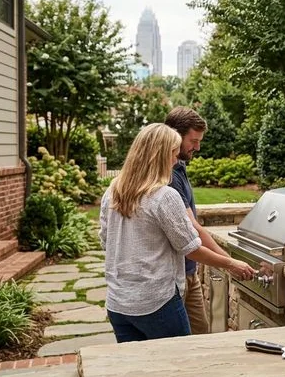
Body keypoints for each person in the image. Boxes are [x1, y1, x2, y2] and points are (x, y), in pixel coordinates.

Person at [99, 123, 253, 343]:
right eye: (173, 153)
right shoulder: (164, 196)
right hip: (157, 303)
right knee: (182, 364)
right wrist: (231, 264)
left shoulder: (113, 190)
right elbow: (191, 249)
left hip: (118, 304)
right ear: (160, 155)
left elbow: (106, 240)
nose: (175, 160)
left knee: (138, 371)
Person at [165, 106, 254, 334]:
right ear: (175, 136)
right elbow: (192, 228)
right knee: (188, 341)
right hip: (176, 276)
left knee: (200, 334)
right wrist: (229, 262)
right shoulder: (170, 175)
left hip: (188, 271)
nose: (198, 147)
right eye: (193, 140)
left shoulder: (179, 165)